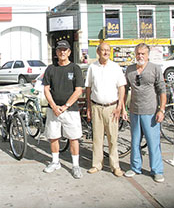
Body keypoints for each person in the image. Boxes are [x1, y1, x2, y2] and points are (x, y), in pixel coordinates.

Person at [123, 43, 167, 183]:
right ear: (135, 54)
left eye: (143, 53)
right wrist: (123, 108)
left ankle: (157, 170)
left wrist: (161, 110)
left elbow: (162, 90)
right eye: (138, 53)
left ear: (148, 55)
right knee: (135, 141)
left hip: (151, 112)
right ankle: (135, 167)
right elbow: (124, 90)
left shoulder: (155, 69)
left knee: (153, 142)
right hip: (134, 112)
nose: (140, 56)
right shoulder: (129, 70)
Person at [42, 40, 84, 179]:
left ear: (69, 52)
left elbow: (78, 90)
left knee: (73, 138)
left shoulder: (75, 68)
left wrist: (65, 106)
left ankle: (75, 166)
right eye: (60, 50)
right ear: (56, 52)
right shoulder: (50, 69)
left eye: (65, 50)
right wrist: (54, 106)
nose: (62, 52)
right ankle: (55, 162)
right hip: (53, 110)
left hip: (70, 110)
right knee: (53, 137)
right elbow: (46, 89)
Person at [85, 42, 126, 177]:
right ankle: (97, 164)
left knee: (113, 139)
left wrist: (120, 107)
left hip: (112, 108)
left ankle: (115, 166)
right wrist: (89, 108)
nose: (106, 52)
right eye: (103, 50)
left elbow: (121, 88)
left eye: (108, 50)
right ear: (98, 52)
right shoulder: (92, 67)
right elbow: (88, 88)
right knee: (97, 139)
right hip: (96, 107)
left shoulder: (115, 67)